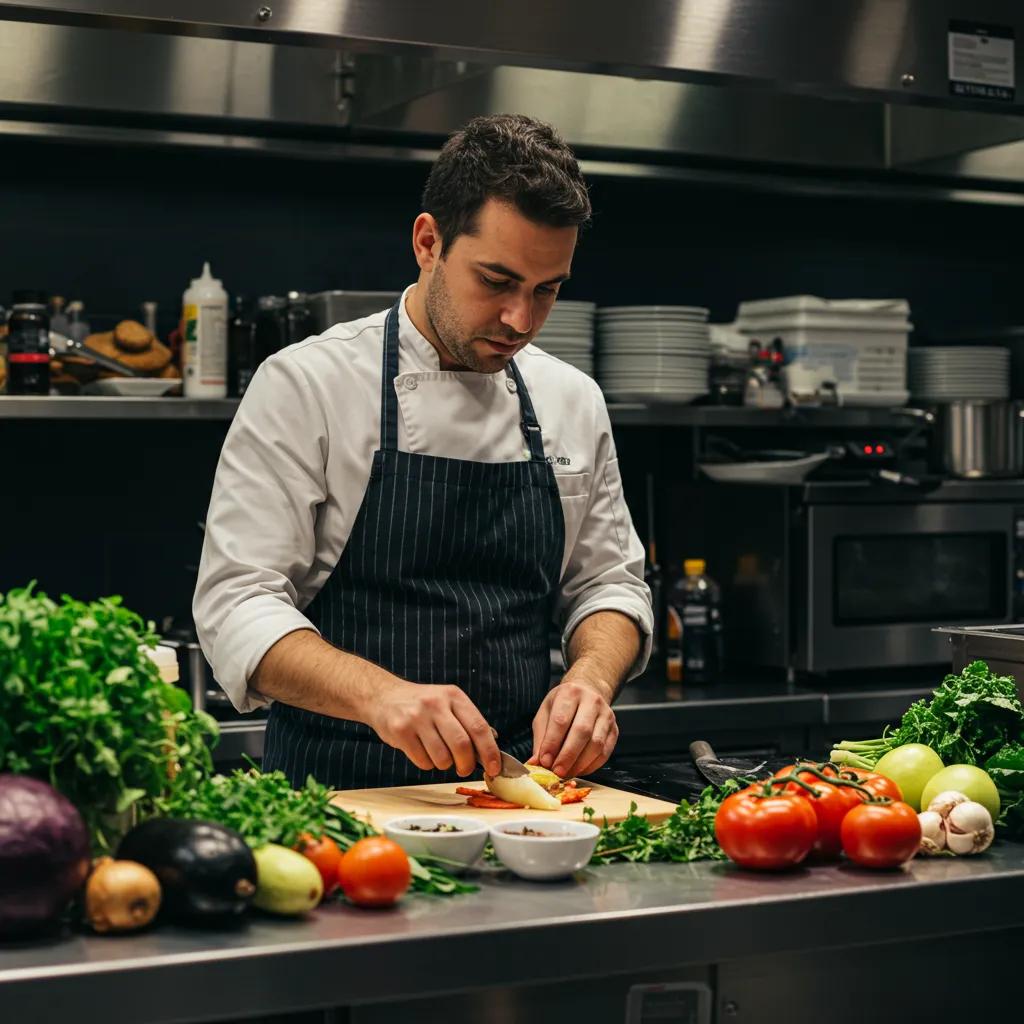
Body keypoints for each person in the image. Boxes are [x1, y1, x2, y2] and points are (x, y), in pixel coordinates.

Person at [193, 113, 653, 789]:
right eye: (496, 281)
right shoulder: (308, 383)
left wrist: (590, 677)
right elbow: (237, 606)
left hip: (519, 796)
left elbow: (609, 584)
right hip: (336, 799)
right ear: (428, 242)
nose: (521, 321)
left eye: (547, 290)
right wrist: (381, 696)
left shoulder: (571, 399)